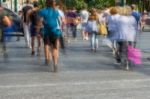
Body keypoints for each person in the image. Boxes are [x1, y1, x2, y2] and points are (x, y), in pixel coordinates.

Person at [38, 0, 61, 72]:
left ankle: (47, 59)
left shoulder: (42, 11)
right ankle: (55, 64)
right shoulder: (56, 11)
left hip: (46, 32)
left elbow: (40, 21)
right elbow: (59, 21)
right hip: (55, 31)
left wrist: (39, 30)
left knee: (46, 45)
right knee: (54, 48)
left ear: (46, 3)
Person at [116, 6, 138, 70]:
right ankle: (128, 61)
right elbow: (135, 27)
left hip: (122, 36)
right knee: (129, 49)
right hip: (131, 35)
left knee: (123, 49)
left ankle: (125, 60)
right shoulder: (133, 18)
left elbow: (117, 27)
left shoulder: (120, 18)